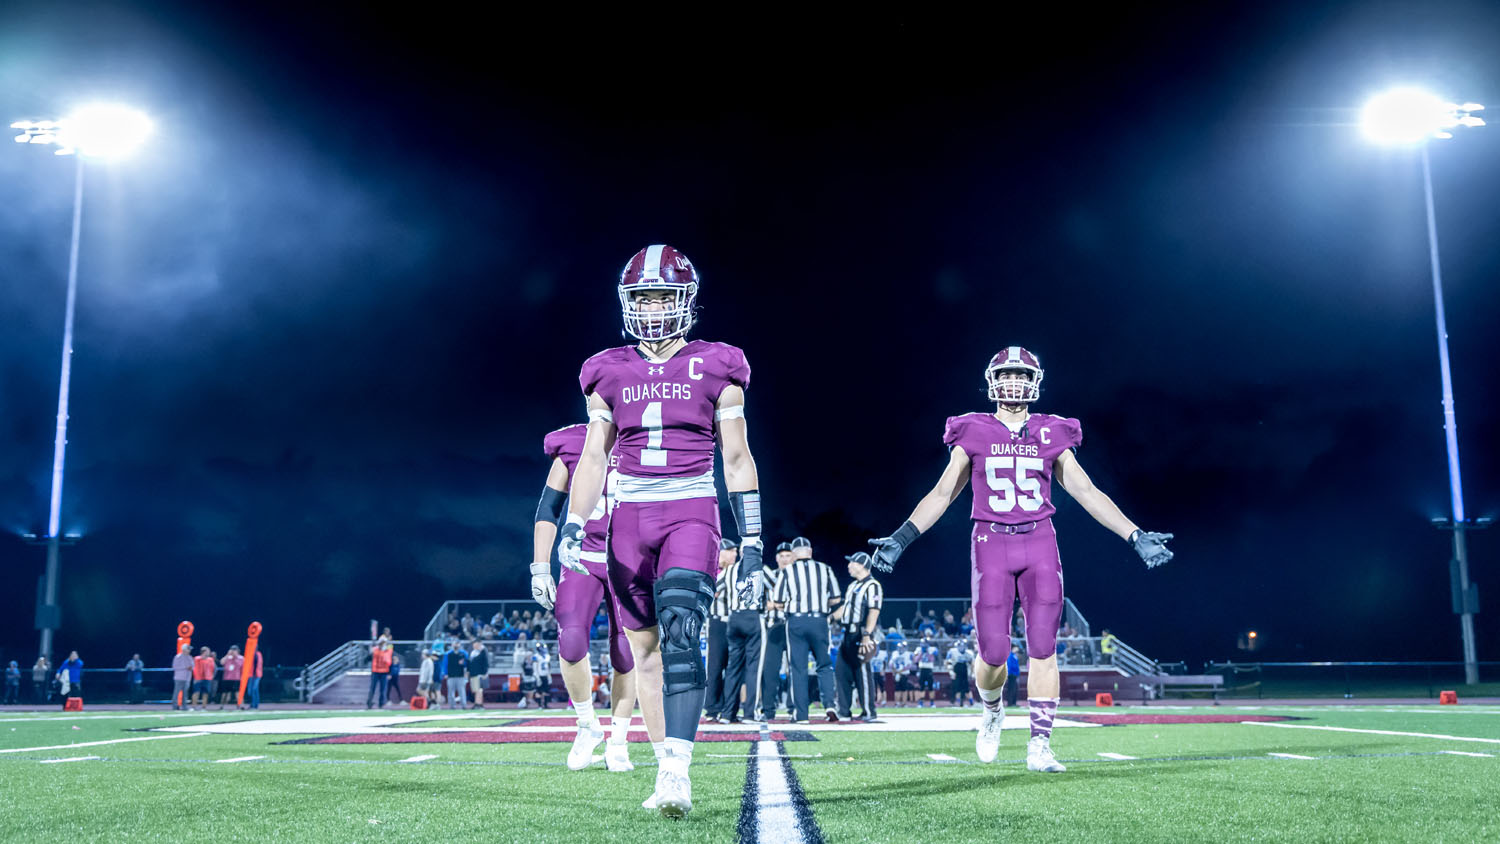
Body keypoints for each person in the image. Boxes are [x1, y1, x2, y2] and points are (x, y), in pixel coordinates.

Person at [869, 346, 1174, 772]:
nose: (1014, 381)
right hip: (990, 542)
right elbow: (942, 493)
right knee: (993, 652)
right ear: (992, 380)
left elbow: (1086, 491)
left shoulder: (1053, 431)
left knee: (1043, 648)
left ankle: (1041, 743)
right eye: (1006, 374)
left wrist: (1134, 534)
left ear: (1035, 381)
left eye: (1021, 374)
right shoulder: (972, 429)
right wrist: (902, 538)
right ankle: (992, 710)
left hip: (1040, 543)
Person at [558, 244, 763, 818]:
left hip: (690, 507)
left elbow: (738, 456)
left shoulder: (718, 363)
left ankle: (678, 772)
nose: (651, 309)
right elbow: (594, 458)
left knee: (680, 627)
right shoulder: (606, 370)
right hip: (626, 519)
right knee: (644, 647)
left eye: (662, 297)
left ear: (685, 302)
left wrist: (751, 534)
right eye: (642, 298)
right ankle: (663, 768)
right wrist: (574, 525)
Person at [533, 423, 639, 772]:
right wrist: (539, 566)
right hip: (581, 558)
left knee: (626, 650)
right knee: (572, 639)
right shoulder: (571, 441)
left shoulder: (644, 435)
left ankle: (619, 739)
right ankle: (587, 725)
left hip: (631, 562)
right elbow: (549, 508)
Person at [770, 537, 841, 723]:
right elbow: (835, 599)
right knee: (824, 665)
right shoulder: (825, 569)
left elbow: (777, 601)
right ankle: (830, 706)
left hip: (796, 622)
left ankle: (801, 714)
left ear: (793, 554)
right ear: (810, 551)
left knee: (798, 668)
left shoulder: (788, 571)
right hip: (820, 621)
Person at [716, 537, 765, 723]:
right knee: (753, 668)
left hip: (734, 618)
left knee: (733, 668)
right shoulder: (760, 569)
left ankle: (728, 714)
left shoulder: (729, 571)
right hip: (752, 617)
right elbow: (775, 589)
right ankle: (750, 714)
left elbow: (714, 589)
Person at [834, 552, 883, 721]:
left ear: (862, 564)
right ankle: (844, 711)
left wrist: (867, 635)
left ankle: (869, 712)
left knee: (862, 674)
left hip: (860, 633)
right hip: (847, 634)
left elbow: (873, 611)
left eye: (852, 563)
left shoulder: (873, 585)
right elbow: (844, 609)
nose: (849, 566)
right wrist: (828, 617)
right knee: (841, 671)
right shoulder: (852, 586)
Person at [758, 542, 793, 722]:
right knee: (769, 670)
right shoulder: (770, 575)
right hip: (773, 625)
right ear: (777, 558)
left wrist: (777, 604)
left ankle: (793, 707)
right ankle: (768, 708)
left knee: (795, 669)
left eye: (788, 555)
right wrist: (771, 605)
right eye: (782, 556)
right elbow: (760, 602)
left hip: (793, 626)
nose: (785, 559)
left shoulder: (798, 576)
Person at [704, 539, 736, 722]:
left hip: (734, 622)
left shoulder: (735, 571)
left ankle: (729, 707)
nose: (734, 555)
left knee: (733, 666)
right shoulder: (711, 571)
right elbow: (711, 592)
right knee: (715, 665)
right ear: (720, 552)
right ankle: (712, 708)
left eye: (735, 552)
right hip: (716, 622)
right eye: (730, 551)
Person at [946, 638, 974, 707]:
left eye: (963, 646)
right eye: (960, 646)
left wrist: (972, 672)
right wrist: (951, 671)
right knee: (957, 688)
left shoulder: (969, 653)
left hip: (965, 671)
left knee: (966, 688)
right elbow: (947, 662)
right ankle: (959, 703)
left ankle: (971, 702)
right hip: (956, 671)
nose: (961, 648)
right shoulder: (952, 652)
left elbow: (972, 663)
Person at [367, 639, 393, 709]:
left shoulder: (388, 651)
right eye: (382, 643)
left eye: (384, 644)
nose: (383, 645)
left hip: (384, 672)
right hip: (375, 671)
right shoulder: (375, 650)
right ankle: (369, 703)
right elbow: (368, 658)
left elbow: (390, 663)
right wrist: (370, 652)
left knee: (383, 689)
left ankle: (381, 704)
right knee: (372, 688)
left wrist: (390, 673)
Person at [443, 642, 468, 709]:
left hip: (461, 675)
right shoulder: (448, 654)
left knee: (462, 691)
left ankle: (464, 705)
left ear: (459, 645)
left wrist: (464, 664)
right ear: (452, 645)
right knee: (450, 692)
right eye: (454, 644)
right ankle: (452, 706)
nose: (456, 645)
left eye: (457, 644)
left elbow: (468, 663)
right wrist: (445, 674)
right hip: (451, 676)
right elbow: (445, 664)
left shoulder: (463, 653)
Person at [468, 641, 489, 709]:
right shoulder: (473, 652)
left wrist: (485, 672)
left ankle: (478, 704)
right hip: (473, 674)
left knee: (479, 689)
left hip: (479, 674)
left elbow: (486, 663)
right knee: (476, 690)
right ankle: (477, 703)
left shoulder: (483, 652)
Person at [171, 645, 193, 710]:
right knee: (176, 693)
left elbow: (192, 666)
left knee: (185, 694)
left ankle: (185, 707)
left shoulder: (190, 657)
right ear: (184, 650)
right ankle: (175, 707)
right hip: (179, 678)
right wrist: (186, 667)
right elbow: (175, 667)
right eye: (188, 649)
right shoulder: (177, 657)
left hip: (187, 678)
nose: (189, 650)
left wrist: (190, 668)